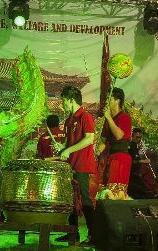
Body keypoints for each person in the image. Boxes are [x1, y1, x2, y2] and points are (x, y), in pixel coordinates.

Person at [55, 86, 96, 246]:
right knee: (70, 200)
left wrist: (69, 149)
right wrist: (62, 148)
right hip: (70, 165)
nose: (62, 104)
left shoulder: (85, 117)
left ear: (71, 100)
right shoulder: (69, 120)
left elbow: (89, 139)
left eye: (64, 101)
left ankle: (93, 235)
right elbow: (68, 143)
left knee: (85, 199)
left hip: (83, 165)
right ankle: (73, 233)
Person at [96, 87, 132, 200]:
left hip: (121, 157)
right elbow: (103, 142)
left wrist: (108, 118)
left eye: (109, 99)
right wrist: (95, 154)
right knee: (106, 189)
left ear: (117, 101)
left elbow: (119, 135)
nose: (107, 101)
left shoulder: (124, 117)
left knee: (116, 192)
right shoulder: (108, 120)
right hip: (110, 158)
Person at [128, 128, 153, 199]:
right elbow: (134, 161)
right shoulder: (132, 145)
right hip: (133, 174)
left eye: (140, 138)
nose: (139, 139)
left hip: (134, 174)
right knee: (142, 191)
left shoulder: (135, 146)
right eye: (137, 137)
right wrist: (144, 161)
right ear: (132, 137)